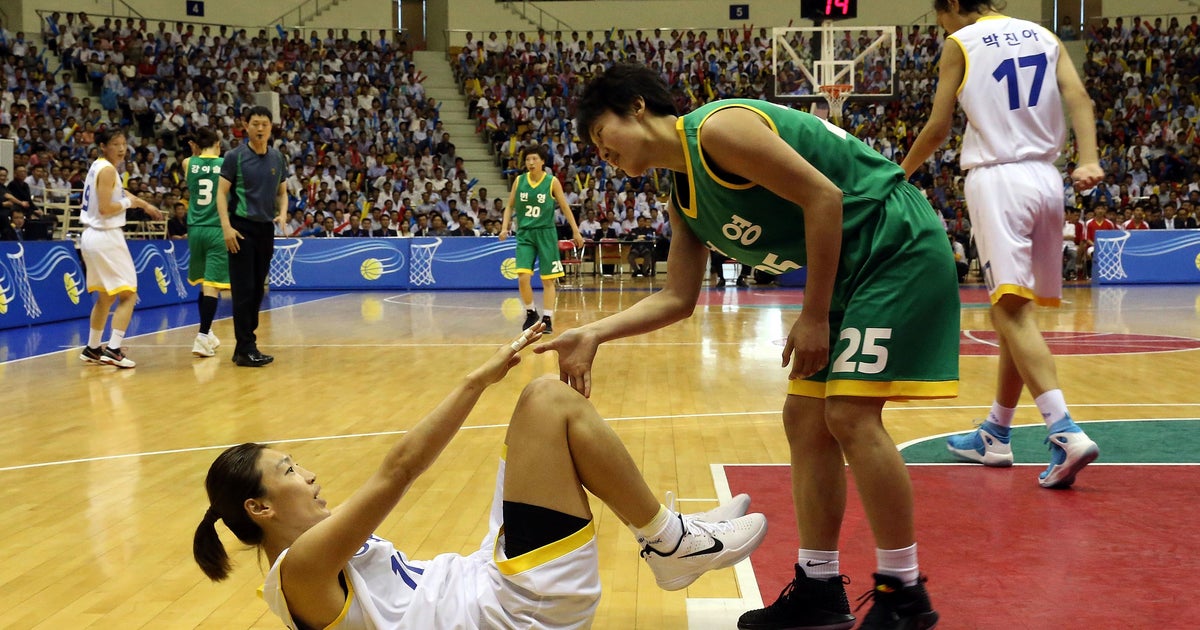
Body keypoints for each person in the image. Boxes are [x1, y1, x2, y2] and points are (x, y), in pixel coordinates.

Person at [540, 63, 959, 630]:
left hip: (893, 246)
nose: (601, 154)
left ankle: (903, 593)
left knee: (850, 415)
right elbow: (678, 297)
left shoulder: (718, 129)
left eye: (600, 135)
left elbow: (825, 197)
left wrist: (812, 316)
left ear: (636, 106)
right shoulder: (681, 192)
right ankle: (818, 588)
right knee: (805, 420)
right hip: (846, 271)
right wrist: (595, 331)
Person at [193, 324, 767, 629]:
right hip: (517, 612)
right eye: (289, 470)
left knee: (537, 425)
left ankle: (669, 537)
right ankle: (670, 543)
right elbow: (401, 469)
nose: (309, 474)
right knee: (545, 400)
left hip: (487, 584)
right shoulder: (301, 572)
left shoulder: (309, 560)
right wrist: (476, 380)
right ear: (260, 508)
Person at [902, 0, 1102, 489]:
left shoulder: (961, 43)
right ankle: (996, 432)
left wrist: (897, 175)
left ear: (952, 4)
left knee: (1011, 313)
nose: (941, 26)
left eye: (940, 15)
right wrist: (1089, 159)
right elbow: (1079, 98)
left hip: (998, 180)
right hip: (1048, 180)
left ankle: (1064, 430)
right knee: (1013, 311)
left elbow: (938, 127)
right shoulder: (1043, 35)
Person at [77, 128, 163, 369]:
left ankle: (93, 348)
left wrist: (143, 204)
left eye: (124, 143)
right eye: (116, 143)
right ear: (103, 146)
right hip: (106, 236)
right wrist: (130, 203)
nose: (122, 148)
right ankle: (114, 350)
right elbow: (106, 207)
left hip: (92, 236)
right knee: (129, 295)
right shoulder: (107, 170)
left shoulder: (98, 166)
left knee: (106, 296)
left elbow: (116, 192)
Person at [217, 106, 288, 368]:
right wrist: (226, 227)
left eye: (265, 124)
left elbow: (283, 192)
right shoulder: (234, 157)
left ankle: (243, 347)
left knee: (258, 290)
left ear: (271, 128)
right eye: (255, 123)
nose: (260, 129)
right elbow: (221, 194)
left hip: (265, 229)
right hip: (240, 228)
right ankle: (246, 347)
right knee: (243, 290)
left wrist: (282, 214)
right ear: (246, 126)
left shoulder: (278, 158)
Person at [499, 147, 585, 334]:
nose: (530, 162)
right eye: (528, 159)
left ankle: (547, 318)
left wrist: (576, 232)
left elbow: (564, 207)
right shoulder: (519, 181)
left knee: (548, 280)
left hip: (546, 233)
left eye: (534, 159)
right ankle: (531, 313)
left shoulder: (551, 182)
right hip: (525, 234)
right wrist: (504, 227)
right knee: (523, 277)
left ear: (542, 162)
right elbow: (509, 206)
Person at [184, 128, 227, 359]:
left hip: (195, 229)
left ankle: (208, 331)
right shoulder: (226, 163)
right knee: (212, 285)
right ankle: (201, 336)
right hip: (216, 227)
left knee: (202, 282)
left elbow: (194, 161)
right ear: (218, 143)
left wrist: (195, 153)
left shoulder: (187, 163)